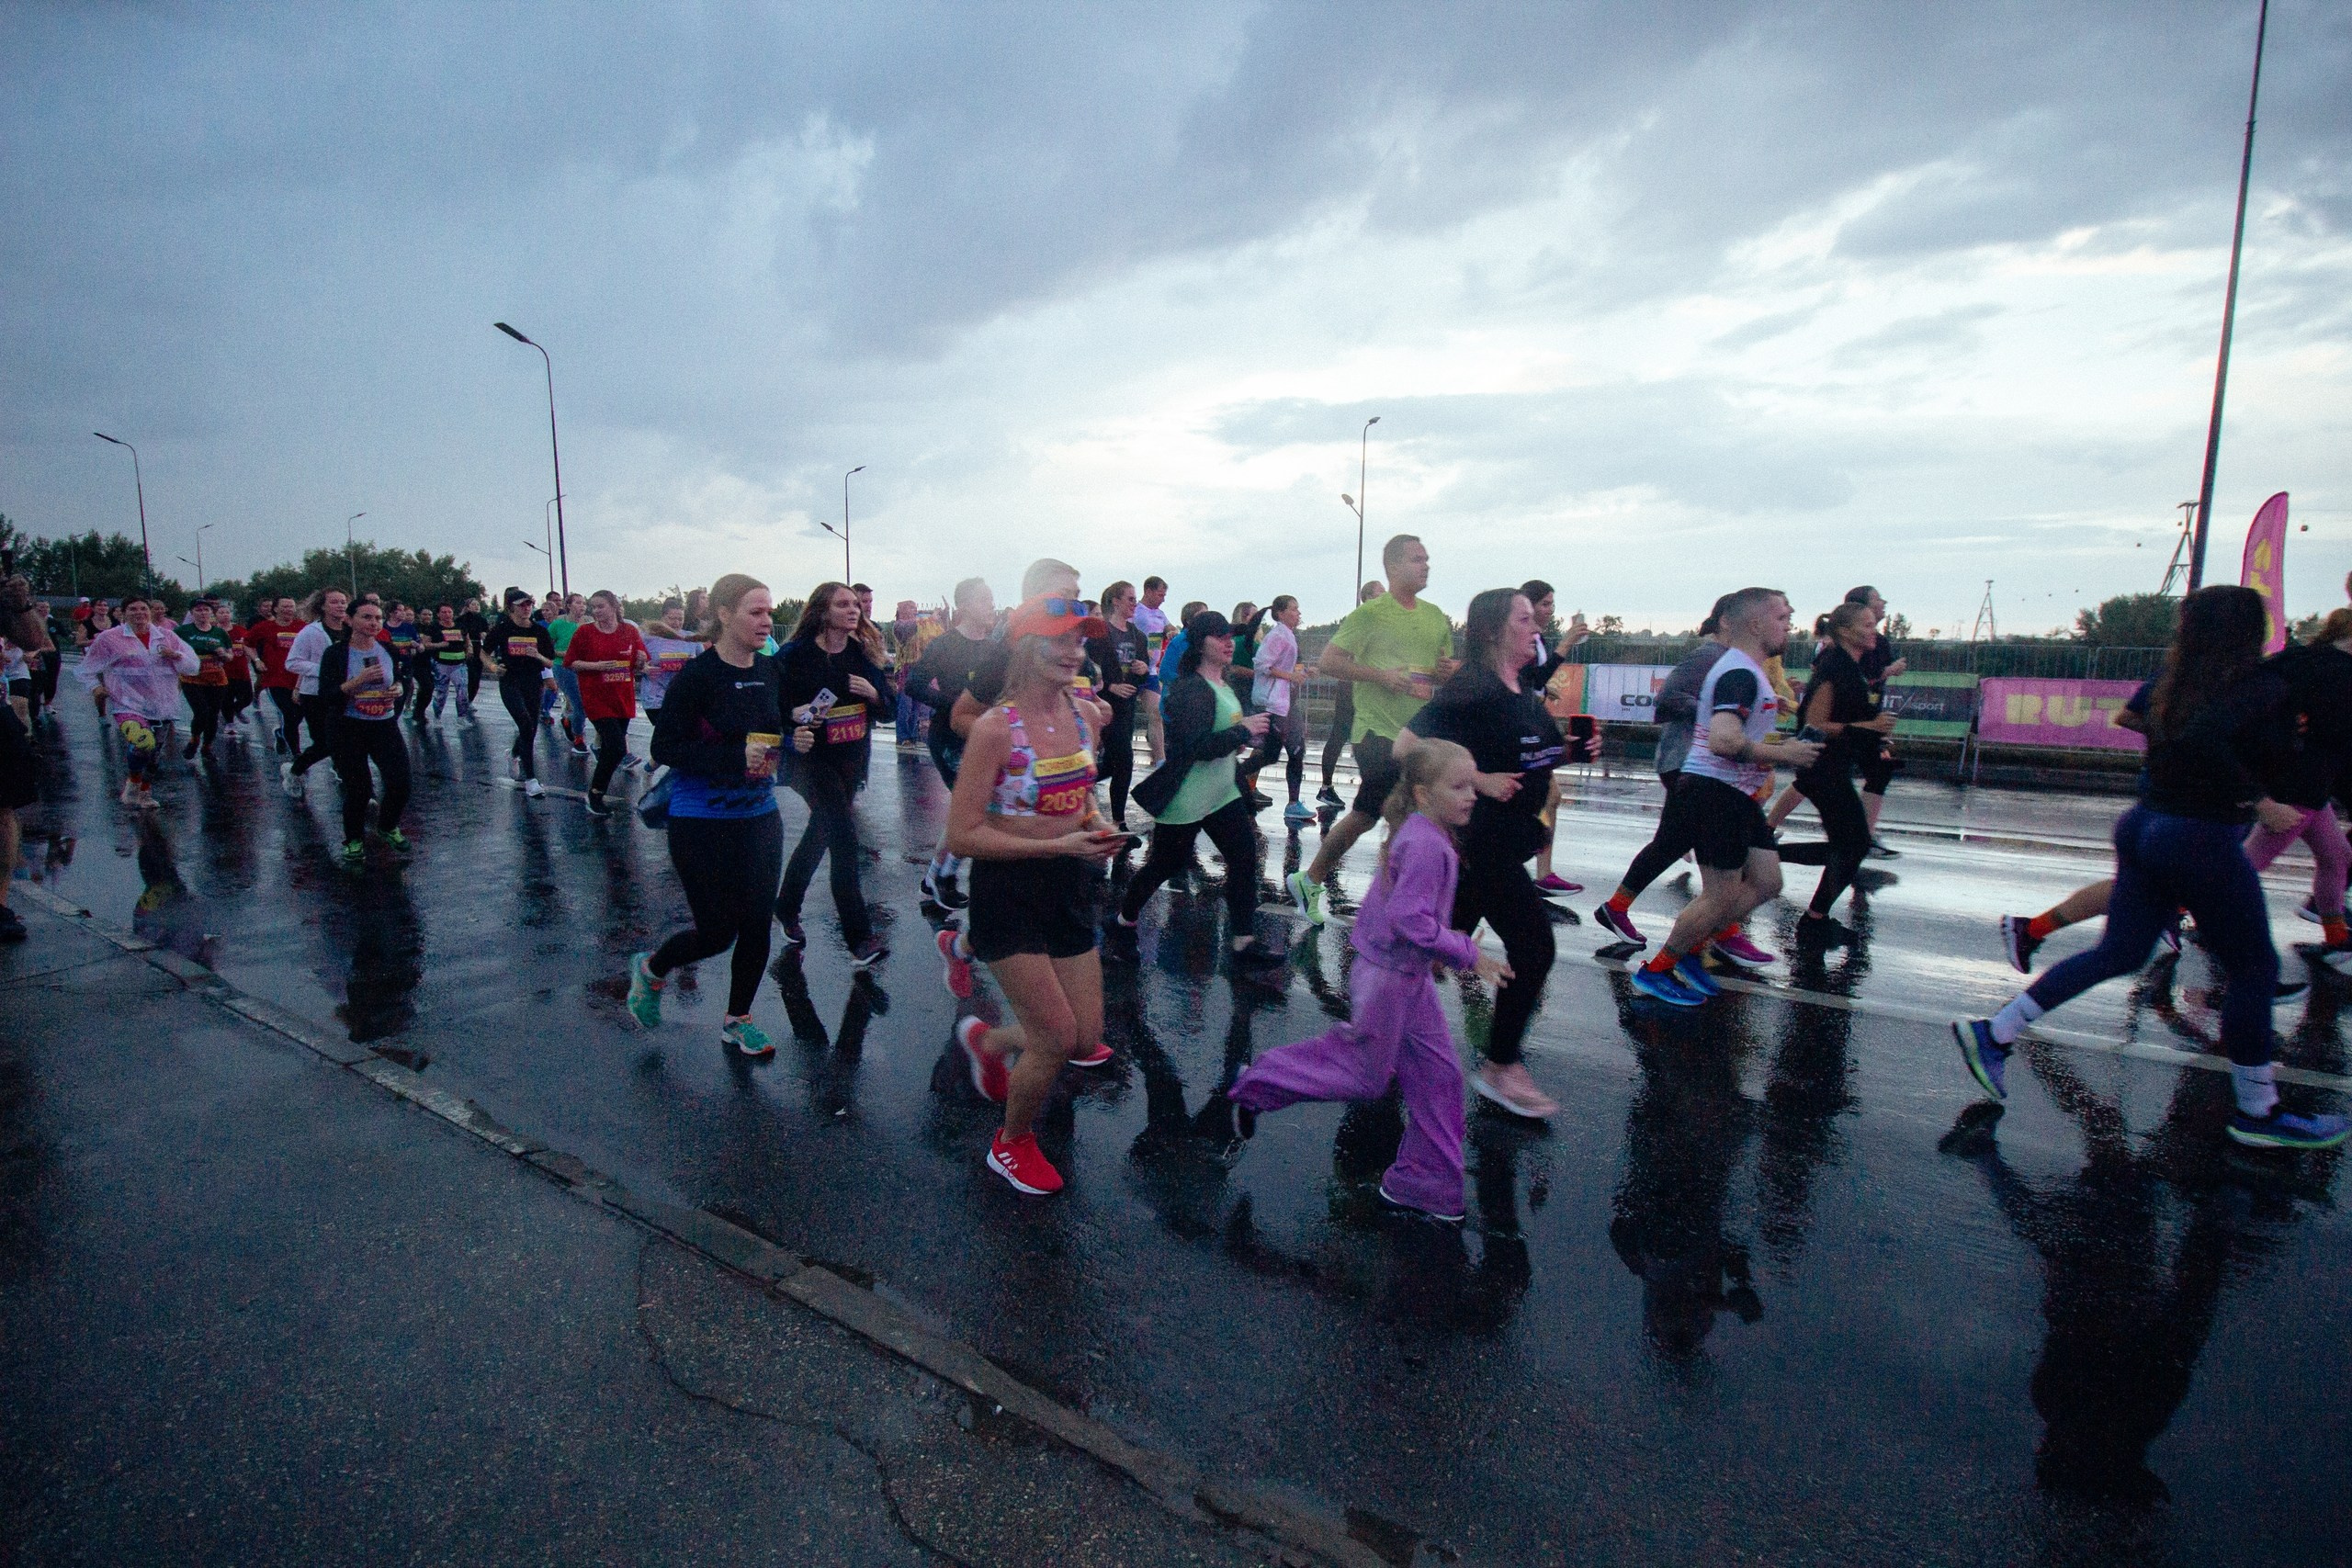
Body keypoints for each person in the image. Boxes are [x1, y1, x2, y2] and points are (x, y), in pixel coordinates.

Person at [1954, 586, 2347, 1150]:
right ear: (2248, 632)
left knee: (2119, 953)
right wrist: (2259, 798)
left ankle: (1994, 1033)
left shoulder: (2177, 681)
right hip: (2201, 836)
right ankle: (2259, 1112)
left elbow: (2180, 735)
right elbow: (2209, 740)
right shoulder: (2254, 687)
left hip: (2147, 823)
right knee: (2256, 971)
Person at [1227, 739, 1509, 1222]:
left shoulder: (1429, 833)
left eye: (1473, 783)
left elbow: (1408, 916)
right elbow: (1407, 918)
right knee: (1364, 1074)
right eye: (1458, 786)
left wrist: (1438, 951)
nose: (1471, 794)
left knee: (1440, 1078)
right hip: (1386, 979)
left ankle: (1427, 1185)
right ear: (1423, 794)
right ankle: (1259, 1082)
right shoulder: (1423, 842)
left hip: (1405, 974)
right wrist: (1467, 953)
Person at [941, 592, 1126, 1195]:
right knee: (1051, 1039)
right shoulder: (996, 729)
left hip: (1071, 887)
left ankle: (989, 1042)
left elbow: (1081, 794)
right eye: (1060, 638)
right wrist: (1056, 846)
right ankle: (1011, 1142)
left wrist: (1094, 823)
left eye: (1080, 640)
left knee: (1081, 1036)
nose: (1074, 651)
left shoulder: (1086, 716)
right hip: (1009, 893)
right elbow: (962, 835)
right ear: (1024, 645)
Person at [1396, 587, 1569, 1117]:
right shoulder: (1471, 687)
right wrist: (1479, 778)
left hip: (1503, 844)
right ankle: (1500, 1066)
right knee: (1535, 947)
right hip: (1481, 844)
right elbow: (1406, 747)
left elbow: (1533, 753)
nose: (1537, 625)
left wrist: (1572, 750)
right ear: (1494, 630)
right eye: (1524, 618)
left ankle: (1381, 1026)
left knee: (1431, 945)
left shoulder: (1519, 688)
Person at [627, 573, 795, 1057]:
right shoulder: (697, 677)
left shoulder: (771, 670)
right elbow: (664, 747)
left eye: (769, 612)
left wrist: (796, 739)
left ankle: (737, 1020)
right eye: (755, 612)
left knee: (758, 922)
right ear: (724, 614)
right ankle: (653, 968)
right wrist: (732, 759)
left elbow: (776, 728)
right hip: (700, 821)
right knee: (718, 932)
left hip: (759, 815)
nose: (766, 621)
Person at [1628, 588, 1820, 1007]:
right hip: (1713, 793)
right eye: (1782, 617)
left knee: (1768, 882)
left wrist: (1779, 747)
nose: (1790, 623)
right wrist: (1782, 753)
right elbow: (1723, 739)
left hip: (1734, 793)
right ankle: (1658, 968)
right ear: (1755, 624)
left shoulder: (1747, 670)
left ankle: (1694, 951)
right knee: (1719, 896)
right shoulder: (1740, 674)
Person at [1594, 595, 1773, 976]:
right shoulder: (1711, 658)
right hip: (1687, 762)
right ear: (1727, 622)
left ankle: (1623, 909)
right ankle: (1711, 932)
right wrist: (1720, 712)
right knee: (1708, 860)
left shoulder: (1741, 663)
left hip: (1705, 768)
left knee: (1673, 843)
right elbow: (1668, 701)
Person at [1287, 536, 1455, 925]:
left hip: (1419, 734)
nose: (1426, 565)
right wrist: (1380, 675)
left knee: (1366, 815)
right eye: (1417, 560)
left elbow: (1441, 669)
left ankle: (1310, 880)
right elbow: (1329, 660)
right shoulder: (1370, 615)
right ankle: (1395, 911)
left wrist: (1450, 671)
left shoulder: (1435, 617)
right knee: (1404, 816)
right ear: (1393, 568)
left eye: (1427, 559)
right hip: (1375, 730)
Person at [1112, 610, 1283, 975]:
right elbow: (1197, 748)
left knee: (1244, 858)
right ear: (1199, 643)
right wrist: (1242, 732)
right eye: (1219, 636)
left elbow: (1223, 737)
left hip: (1222, 793)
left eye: (1230, 636)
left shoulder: (1223, 684)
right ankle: (1123, 921)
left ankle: (1242, 942)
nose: (1228, 643)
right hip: (1188, 795)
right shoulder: (1191, 689)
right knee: (1164, 864)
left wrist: (1250, 737)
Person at [773, 582, 889, 965]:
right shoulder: (795, 656)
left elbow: (889, 708)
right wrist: (794, 716)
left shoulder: (860, 654)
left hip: (850, 760)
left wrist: (873, 694)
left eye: (856, 604)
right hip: (811, 761)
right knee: (842, 835)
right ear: (823, 612)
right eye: (843, 604)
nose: (854, 610)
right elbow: (770, 708)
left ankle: (786, 906)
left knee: (821, 831)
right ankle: (859, 937)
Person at [1778, 601, 1891, 943]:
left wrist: (1874, 737)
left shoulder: (1850, 666)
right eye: (1868, 625)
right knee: (1853, 844)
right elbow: (1815, 723)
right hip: (1821, 765)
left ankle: (1814, 916)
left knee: (1851, 844)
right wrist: (1868, 726)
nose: (1874, 631)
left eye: (1875, 625)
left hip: (1832, 765)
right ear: (1844, 631)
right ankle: (1811, 917)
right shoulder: (1834, 667)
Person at [909, 576, 999, 908]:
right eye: (984, 599)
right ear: (964, 607)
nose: (991, 604)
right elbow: (914, 685)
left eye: (992, 598)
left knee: (974, 809)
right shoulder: (944, 645)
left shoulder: (994, 648)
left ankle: (933, 879)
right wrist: (956, 705)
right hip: (948, 739)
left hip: (983, 739)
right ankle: (944, 877)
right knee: (975, 809)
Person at [78, 596, 199, 808]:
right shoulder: (109, 638)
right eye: (133, 609)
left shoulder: (168, 637)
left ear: (150, 612)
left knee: (153, 755)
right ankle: (133, 784)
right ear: (123, 614)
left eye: (143, 608)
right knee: (144, 742)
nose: (139, 613)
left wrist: (176, 655)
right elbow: (86, 669)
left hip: (161, 705)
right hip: (127, 703)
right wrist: (96, 688)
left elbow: (192, 667)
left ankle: (144, 793)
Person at [316, 599, 412, 860]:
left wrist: (399, 690)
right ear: (350, 619)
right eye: (367, 617)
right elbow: (326, 695)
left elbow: (401, 681)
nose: (373, 623)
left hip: (383, 724)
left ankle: (387, 826)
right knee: (359, 788)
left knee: (401, 782)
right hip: (348, 727)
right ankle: (354, 839)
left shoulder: (388, 650)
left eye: (378, 618)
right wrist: (357, 682)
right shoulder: (335, 654)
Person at [1520, 579, 1589, 894]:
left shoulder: (1538, 638)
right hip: (1518, 727)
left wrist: (1544, 689)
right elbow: (1528, 675)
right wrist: (1567, 643)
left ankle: (1539, 868)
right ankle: (1532, 867)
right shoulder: (1524, 637)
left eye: (1552, 605)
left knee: (1549, 797)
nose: (1549, 611)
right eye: (1545, 604)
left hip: (1528, 722)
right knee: (1546, 797)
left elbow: (1530, 679)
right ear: (1529, 605)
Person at [563, 590, 650, 816]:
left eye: (601, 606)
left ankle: (597, 788)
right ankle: (595, 794)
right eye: (593, 607)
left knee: (615, 750)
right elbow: (570, 662)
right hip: (597, 698)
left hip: (622, 697)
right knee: (617, 747)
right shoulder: (585, 632)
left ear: (614, 606)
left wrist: (641, 662)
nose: (596, 611)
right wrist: (597, 666)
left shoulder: (629, 631)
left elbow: (640, 663)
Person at [1086, 581, 1152, 829]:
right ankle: (1118, 821)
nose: (1135, 604)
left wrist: (1143, 669)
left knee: (1118, 761)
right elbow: (1087, 669)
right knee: (1123, 759)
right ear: (1115, 601)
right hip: (1102, 703)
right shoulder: (1099, 634)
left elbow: (1145, 669)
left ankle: (1084, 785)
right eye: (1131, 599)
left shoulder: (1138, 636)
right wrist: (1110, 686)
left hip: (1126, 706)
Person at [480, 589, 556, 798]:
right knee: (525, 723)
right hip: (510, 682)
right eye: (522, 604)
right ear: (511, 607)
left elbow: (550, 661)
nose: (527, 608)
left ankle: (514, 752)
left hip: (533, 682)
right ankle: (531, 779)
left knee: (529, 727)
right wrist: (494, 668)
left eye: (530, 604)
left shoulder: (539, 632)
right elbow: (484, 653)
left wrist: (538, 655)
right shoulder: (502, 629)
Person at [1317, 580, 1385, 807]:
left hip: (1370, 687)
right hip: (1351, 686)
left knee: (1374, 734)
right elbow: (1343, 654)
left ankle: (1377, 787)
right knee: (1342, 733)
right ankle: (1327, 787)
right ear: (1367, 598)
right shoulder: (1361, 620)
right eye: (1380, 593)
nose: (1385, 597)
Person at [283, 588, 351, 798]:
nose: (340, 606)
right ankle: (294, 772)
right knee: (325, 743)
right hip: (315, 695)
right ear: (322, 606)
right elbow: (292, 663)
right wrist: (324, 671)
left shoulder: (351, 629)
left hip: (345, 692)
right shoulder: (311, 632)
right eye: (334, 602)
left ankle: (356, 785)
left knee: (348, 739)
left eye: (343, 602)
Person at [1250, 594, 1312, 824]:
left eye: (1298, 609)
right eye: (1294, 609)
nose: (1298, 614)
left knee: (1288, 751)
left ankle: (1293, 803)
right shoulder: (1277, 635)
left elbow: (1285, 669)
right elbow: (1262, 665)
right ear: (1281, 613)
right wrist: (1290, 676)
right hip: (1273, 703)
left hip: (1284, 702)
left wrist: (1304, 674)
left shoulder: (1288, 635)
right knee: (1279, 753)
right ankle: (1235, 782)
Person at [174, 598, 235, 759]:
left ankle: (207, 747)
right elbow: (171, 650)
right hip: (192, 677)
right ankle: (194, 740)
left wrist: (224, 654)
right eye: (198, 610)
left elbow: (230, 656)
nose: (202, 613)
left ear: (211, 613)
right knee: (201, 712)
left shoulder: (219, 632)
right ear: (192, 613)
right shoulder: (183, 631)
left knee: (213, 714)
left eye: (206, 610)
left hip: (216, 677)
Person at [250, 596, 308, 755]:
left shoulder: (302, 627)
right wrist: (257, 660)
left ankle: (281, 734)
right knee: (289, 713)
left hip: (298, 679)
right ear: (275, 609)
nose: (288, 610)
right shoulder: (265, 627)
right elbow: (248, 644)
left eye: (291, 606)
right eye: (285, 606)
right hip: (275, 679)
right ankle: (297, 753)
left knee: (298, 715)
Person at [637, 598, 699, 731]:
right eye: (672, 618)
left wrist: (693, 666)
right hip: (655, 697)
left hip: (682, 696)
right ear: (663, 617)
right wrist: (644, 668)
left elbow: (704, 665)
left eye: (680, 619)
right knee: (667, 732)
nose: (676, 623)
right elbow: (631, 662)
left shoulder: (691, 639)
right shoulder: (647, 637)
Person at [1133, 576, 1171, 765]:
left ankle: (1160, 759)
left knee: (1156, 713)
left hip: (1151, 671)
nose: (1163, 599)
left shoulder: (1160, 614)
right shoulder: (1136, 611)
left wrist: (1172, 631)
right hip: (1132, 669)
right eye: (1160, 594)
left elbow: (1169, 627)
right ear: (1148, 591)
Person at [547, 592, 589, 753]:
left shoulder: (588, 624)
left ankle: (567, 720)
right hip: (563, 667)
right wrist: (564, 653)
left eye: (583, 603)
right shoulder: (558, 624)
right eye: (578, 603)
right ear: (569, 606)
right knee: (580, 704)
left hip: (584, 666)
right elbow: (546, 646)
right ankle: (579, 738)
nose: (582, 606)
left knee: (583, 703)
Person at [422, 604, 475, 721]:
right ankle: (437, 717)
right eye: (444, 612)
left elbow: (467, 641)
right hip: (441, 665)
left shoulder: (460, 626)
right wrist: (439, 645)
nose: (447, 615)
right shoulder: (433, 627)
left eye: (449, 612)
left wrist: (470, 649)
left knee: (462, 692)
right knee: (441, 694)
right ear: (438, 614)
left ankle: (462, 718)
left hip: (459, 664)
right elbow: (425, 644)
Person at [457, 595, 491, 708]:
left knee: (476, 677)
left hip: (478, 648)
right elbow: (460, 632)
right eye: (473, 604)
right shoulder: (461, 619)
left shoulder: (482, 619)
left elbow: (486, 631)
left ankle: (470, 700)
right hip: (465, 648)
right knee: (466, 676)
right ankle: (462, 699)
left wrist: (485, 634)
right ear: (467, 607)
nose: (476, 606)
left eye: (478, 604)